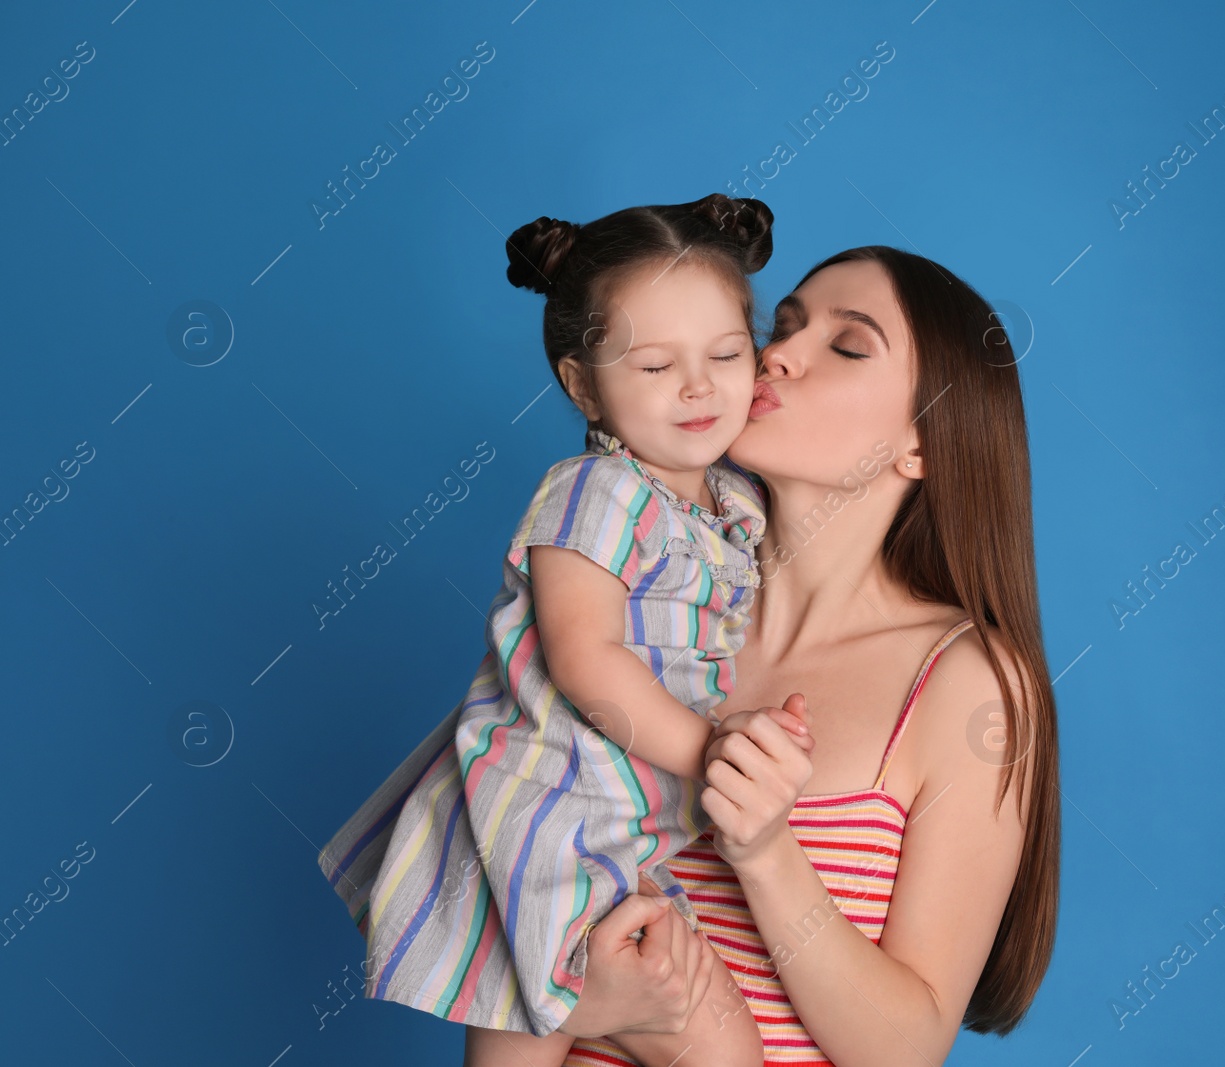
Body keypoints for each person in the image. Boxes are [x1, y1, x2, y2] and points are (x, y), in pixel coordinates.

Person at [318, 192, 813, 1067]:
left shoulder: (736, 505)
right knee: (716, 1046)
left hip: (628, 836)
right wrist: (716, 751)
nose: (700, 386)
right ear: (582, 383)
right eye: (655, 366)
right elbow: (587, 660)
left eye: (727, 353)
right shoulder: (593, 493)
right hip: (549, 820)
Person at [533, 245, 1061, 1066]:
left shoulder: (967, 681)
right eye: (781, 325)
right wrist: (565, 1000)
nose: (778, 352)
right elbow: (516, 856)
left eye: (846, 345)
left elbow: (905, 1048)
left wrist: (766, 849)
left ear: (921, 442)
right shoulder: (632, 618)